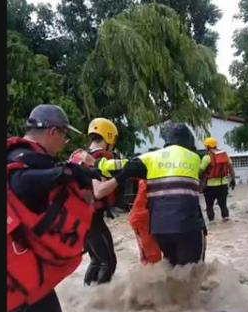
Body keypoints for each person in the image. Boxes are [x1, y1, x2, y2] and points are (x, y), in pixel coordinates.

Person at [7, 104, 95, 312]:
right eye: (64, 135)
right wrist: (66, 173)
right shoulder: (25, 159)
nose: (64, 141)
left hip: (21, 269)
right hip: (19, 272)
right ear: (53, 132)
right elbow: (21, 182)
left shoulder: (18, 154)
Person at [92, 123, 206, 267]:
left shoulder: (151, 158)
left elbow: (124, 165)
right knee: (192, 271)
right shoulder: (195, 159)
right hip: (188, 227)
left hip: (160, 229)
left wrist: (99, 164)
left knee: (171, 266)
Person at [79, 118, 121, 286]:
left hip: (81, 218)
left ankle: (87, 298)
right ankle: (101, 305)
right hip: (93, 219)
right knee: (108, 262)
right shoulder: (101, 157)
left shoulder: (80, 155)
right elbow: (99, 190)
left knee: (96, 260)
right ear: (109, 136)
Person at [198, 137, 236, 222]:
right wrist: (233, 180)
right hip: (223, 185)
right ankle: (226, 220)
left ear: (207, 147)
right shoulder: (225, 155)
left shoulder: (207, 158)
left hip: (209, 187)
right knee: (223, 205)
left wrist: (200, 179)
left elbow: (200, 172)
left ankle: (212, 223)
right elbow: (231, 168)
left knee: (209, 206)